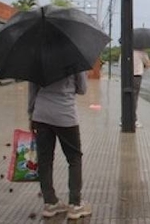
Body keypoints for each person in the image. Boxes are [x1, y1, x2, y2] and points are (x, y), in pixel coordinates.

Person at [28, 72, 91, 220]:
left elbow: (32, 90)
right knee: (74, 159)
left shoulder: (38, 57)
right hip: (65, 115)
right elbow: (82, 89)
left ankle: (50, 202)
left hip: (41, 115)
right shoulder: (74, 56)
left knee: (45, 160)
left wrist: (31, 114)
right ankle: (75, 204)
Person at [132, 49, 150, 128]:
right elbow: (147, 63)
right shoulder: (141, 52)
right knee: (134, 97)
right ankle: (134, 119)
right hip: (136, 76)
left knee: (126, 97)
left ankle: (124, 118)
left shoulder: (125, 51)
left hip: (126, 76)